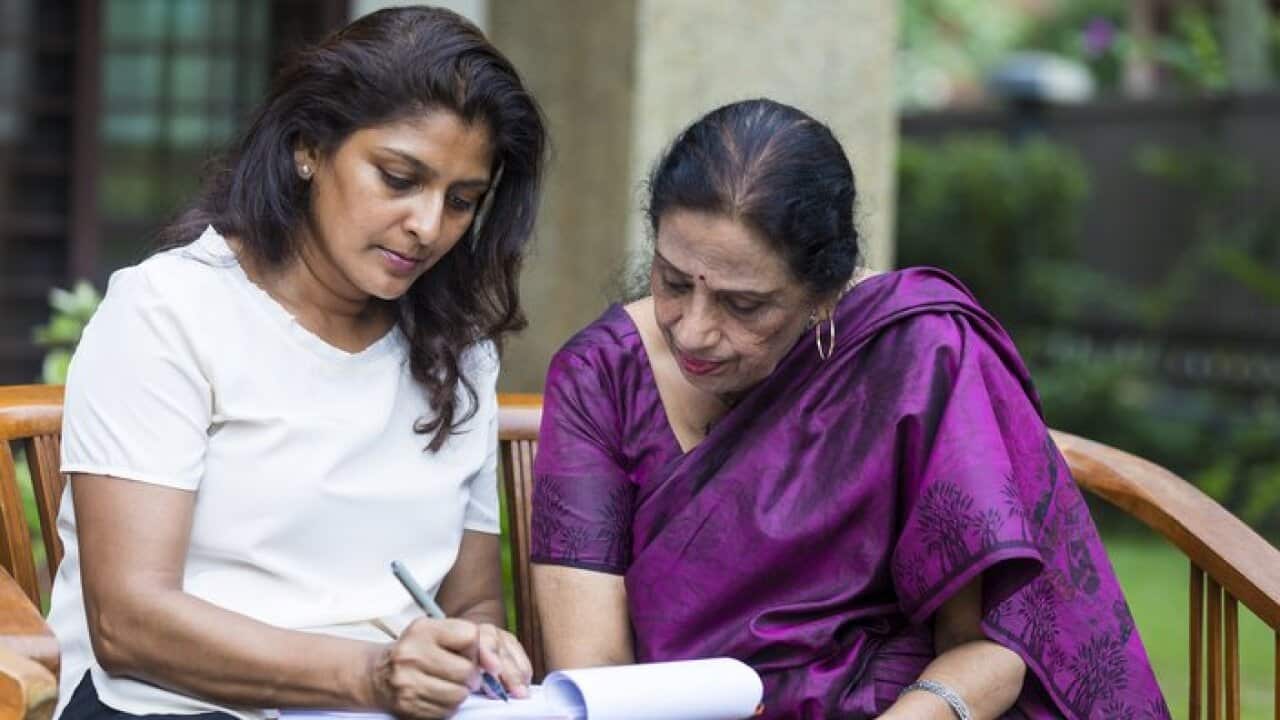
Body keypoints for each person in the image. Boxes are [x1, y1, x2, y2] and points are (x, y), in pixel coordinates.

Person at [530, 99, 1169, 720]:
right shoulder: (601, 378)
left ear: (826, 294)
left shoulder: (916, 352)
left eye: (744, 305)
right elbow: (597, 678)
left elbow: (985, 651)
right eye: (672, 282)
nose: (693, 331)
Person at [48, 7, 546, 719]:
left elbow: (468, 604)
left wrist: (476, 646)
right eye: (399, 178)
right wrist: (370, 676)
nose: (428, 225)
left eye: (462, 201)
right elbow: (129, 623)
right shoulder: (171, 312)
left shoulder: (456, 346)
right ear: (309, 146)